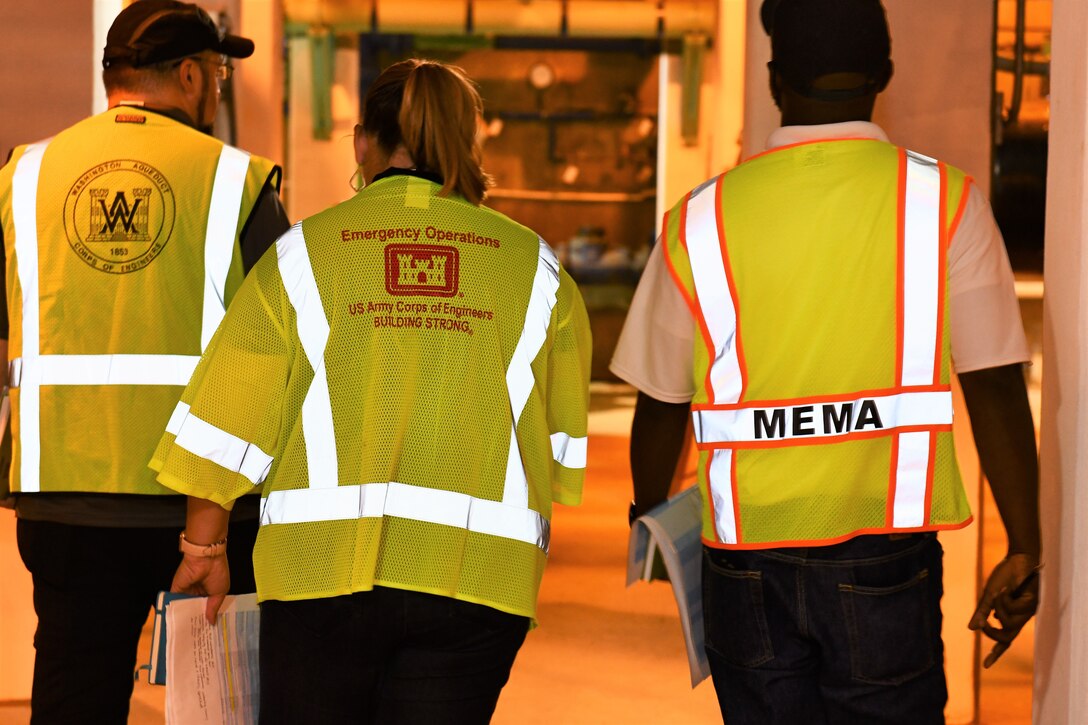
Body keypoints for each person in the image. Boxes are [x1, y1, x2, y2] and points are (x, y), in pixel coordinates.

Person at [610, 0, 1040, 722]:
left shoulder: (701, 217)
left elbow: (659, 404)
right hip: (885, 558)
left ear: (775, 83)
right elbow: (996, 387)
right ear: (886, 75)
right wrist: (1024, 541)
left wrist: (650, 518)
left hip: (743, 559)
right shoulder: (947, 202)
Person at [156, 58, 591, 724]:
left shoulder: (306, 255)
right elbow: (558, 442)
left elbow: (228, 421)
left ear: (363, 143)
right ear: (467, 143)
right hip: (476, 585)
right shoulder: (536, 269)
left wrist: (203, 548)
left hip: (319, 581)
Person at [0, 1, 290, 722]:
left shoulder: (24, 176)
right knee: (217, 703)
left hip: (63, 494)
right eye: (221, 72)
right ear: (192, 76)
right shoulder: (237, 182)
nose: (219, 88)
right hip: (201, 502)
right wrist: (212, 528)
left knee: (74, 690)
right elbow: (275, 358)